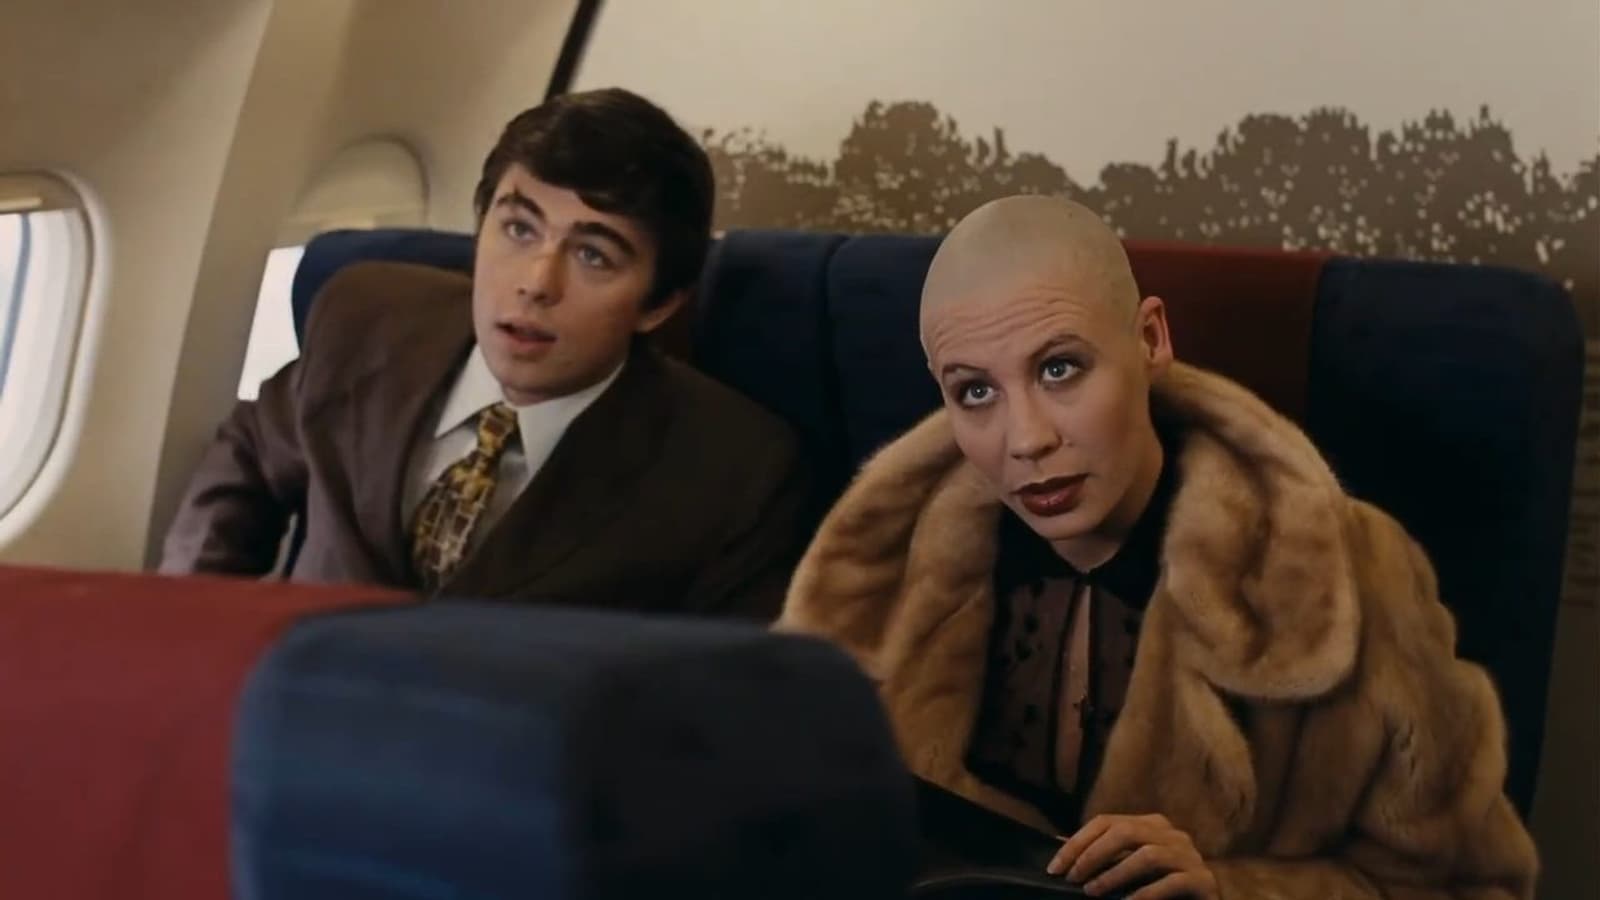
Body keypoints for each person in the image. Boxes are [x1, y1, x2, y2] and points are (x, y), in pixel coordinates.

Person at [779, 195, 1537, 898]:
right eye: (975, 391)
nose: (1026, 439)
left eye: (1060, 368)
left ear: (1150, 340)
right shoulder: (878, 568)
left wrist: (1228, 890)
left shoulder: (1351, 576)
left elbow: (1471, 886)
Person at [162, 88, 810, 620]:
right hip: (292, 708)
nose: (536, 282)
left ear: (658, 304)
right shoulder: (365, 319)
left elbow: (716, 694)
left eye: (593, 255)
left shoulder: (733, 472)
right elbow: (252, 448)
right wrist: (196, 628)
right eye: (519, 228)